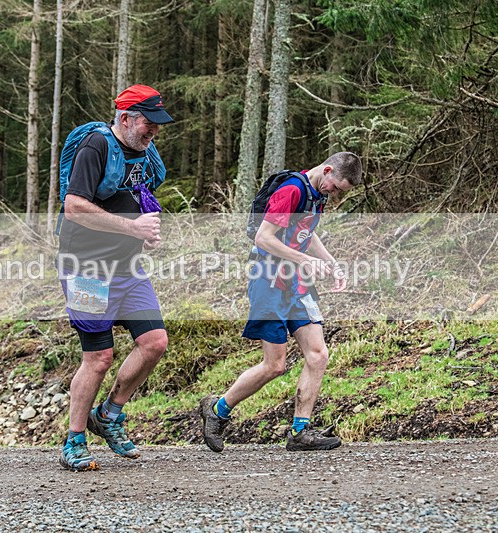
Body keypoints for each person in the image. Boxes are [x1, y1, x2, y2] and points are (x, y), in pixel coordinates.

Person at [199, 152, 362, 452]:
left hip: (296, 283)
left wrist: (331, 263)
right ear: (327, 171)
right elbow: (263, 237)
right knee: (274, 365)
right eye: (336, 188)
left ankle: (300, 432)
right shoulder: (292, 190)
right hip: (268, 281)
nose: (335, 195)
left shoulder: (316, 195)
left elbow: (307, 233)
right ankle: (217, 410)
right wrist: (305, 260)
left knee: (318, 354)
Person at [57, 85, 174, 471]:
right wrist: (132, 228)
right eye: (148, 123)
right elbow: (74, 207)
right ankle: (74, 439)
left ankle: (108, 415)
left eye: (157, 125)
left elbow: (139, 196)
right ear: (125, 118)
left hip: (127, 267)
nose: (153, 132)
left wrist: (147, 230)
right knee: (98, 357)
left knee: (155, 342)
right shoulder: (96, 146)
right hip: (86, 268)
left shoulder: (144, 151)